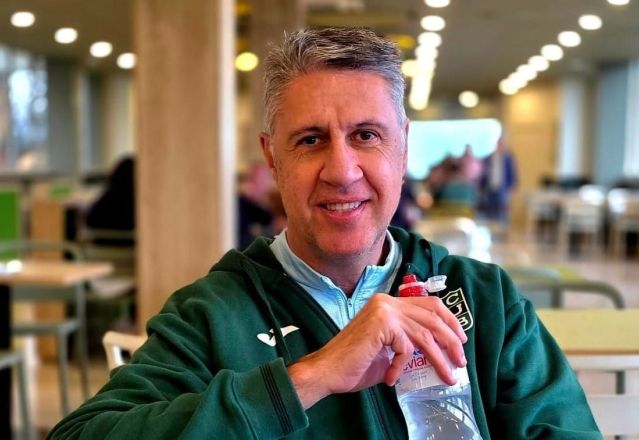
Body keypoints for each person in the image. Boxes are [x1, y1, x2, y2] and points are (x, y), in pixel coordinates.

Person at [49, 27, 600, 439]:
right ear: (272, 157)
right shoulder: (212, 315)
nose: (341, 170)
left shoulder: (486, 302)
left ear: (403, 146)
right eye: (310, 140)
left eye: (366, 135)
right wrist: (308, 378)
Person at [480, 136, 517, 223]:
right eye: (499, 144)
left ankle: (501, 227)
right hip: (490, 187)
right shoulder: (489, 157)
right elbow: (483, 173)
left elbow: (512, 172)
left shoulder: (508, 157)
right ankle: (490, 225)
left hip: (502, 188)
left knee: (502, 211)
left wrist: (512, 186)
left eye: (502, 144)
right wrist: (481, 186)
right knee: (489, 210)